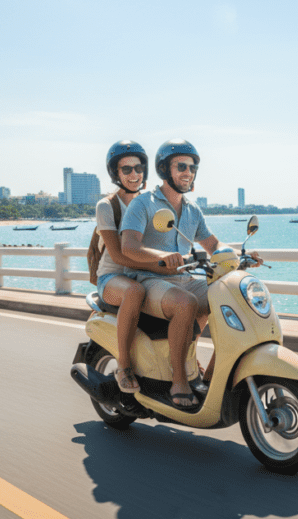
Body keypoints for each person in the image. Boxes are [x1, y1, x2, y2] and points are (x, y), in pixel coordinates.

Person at [119, 139, 219, 412]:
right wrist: (160, 257)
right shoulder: (143, 203)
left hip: (182, 279)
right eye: (182, 166)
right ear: (165, 170)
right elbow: (129, 246)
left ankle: (210, 374)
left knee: (226, 296)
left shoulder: (192, 209)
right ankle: (178, 381)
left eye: (193, 167)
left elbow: (213, 245)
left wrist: (241, 256)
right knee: (185, 303)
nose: (189, 172)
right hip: (149, 280)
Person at [94, 140, 150, 393]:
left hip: (142, 275)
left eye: (138, 168)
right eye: (126, 170)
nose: (134, 175)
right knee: (134, 292)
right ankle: (124, 366)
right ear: (116, 174)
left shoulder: (151, 203)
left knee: (190, 297)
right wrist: (160, 266)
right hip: (112, 279)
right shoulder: (107, 206)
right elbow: (116, 255)